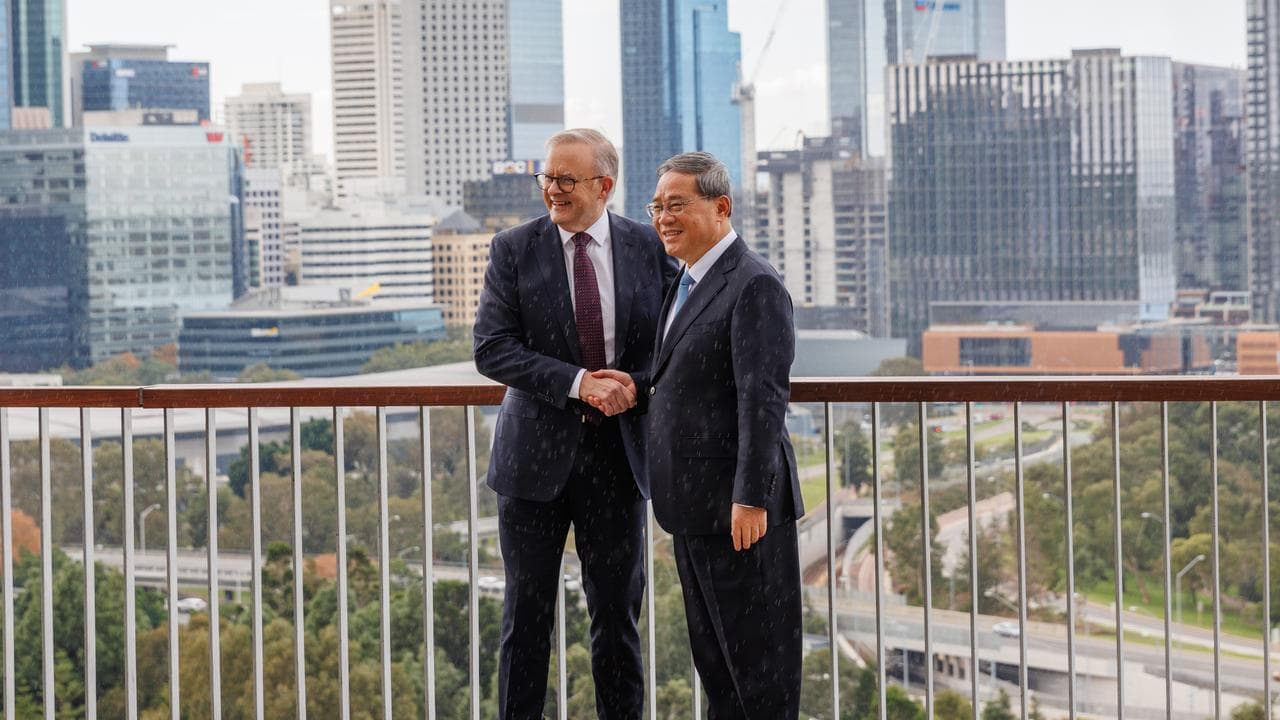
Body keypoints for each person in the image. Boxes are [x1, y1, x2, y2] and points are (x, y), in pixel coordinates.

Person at [473, 128, 679, 719]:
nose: (552, 190)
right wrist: (578, 382)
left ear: (604, 186)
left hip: (618, 460)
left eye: (566, 179)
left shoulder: (648, 247)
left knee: (617, 622)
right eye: (546, 177)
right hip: (531, 464)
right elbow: (492, 348)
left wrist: (634, 384)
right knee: (525, 621)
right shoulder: (512, 248)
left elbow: (672, 345)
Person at [594, 151, 804, 718]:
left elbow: (763, 400)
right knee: (719, 673)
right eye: (656, 206)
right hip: (693, 509)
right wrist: (638, 385)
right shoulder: (686, 280)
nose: (662, 216)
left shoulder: (753, 285)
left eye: (677, 204)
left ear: (721, 206)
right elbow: (692, 377)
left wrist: (751, 497)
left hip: (738, 514)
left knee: (758, 676)